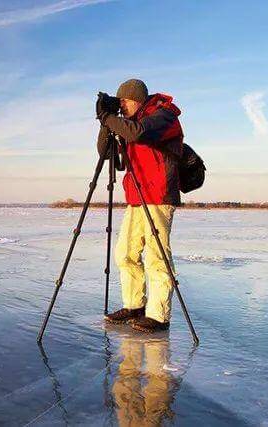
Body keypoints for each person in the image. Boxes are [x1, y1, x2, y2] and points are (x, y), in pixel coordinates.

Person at [96, 79, 183, 333]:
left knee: (157, 257)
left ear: (137, 99)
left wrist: (110, 118)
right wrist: (106, 120)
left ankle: (158, 315)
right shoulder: (128, 123)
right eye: (119, 102)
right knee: (125, 253)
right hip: (136, 197)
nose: (121, 106)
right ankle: (135, 305)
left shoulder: (163, 115)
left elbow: (138, 132)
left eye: (124, 102)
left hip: (158, 196)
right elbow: (106, 153)